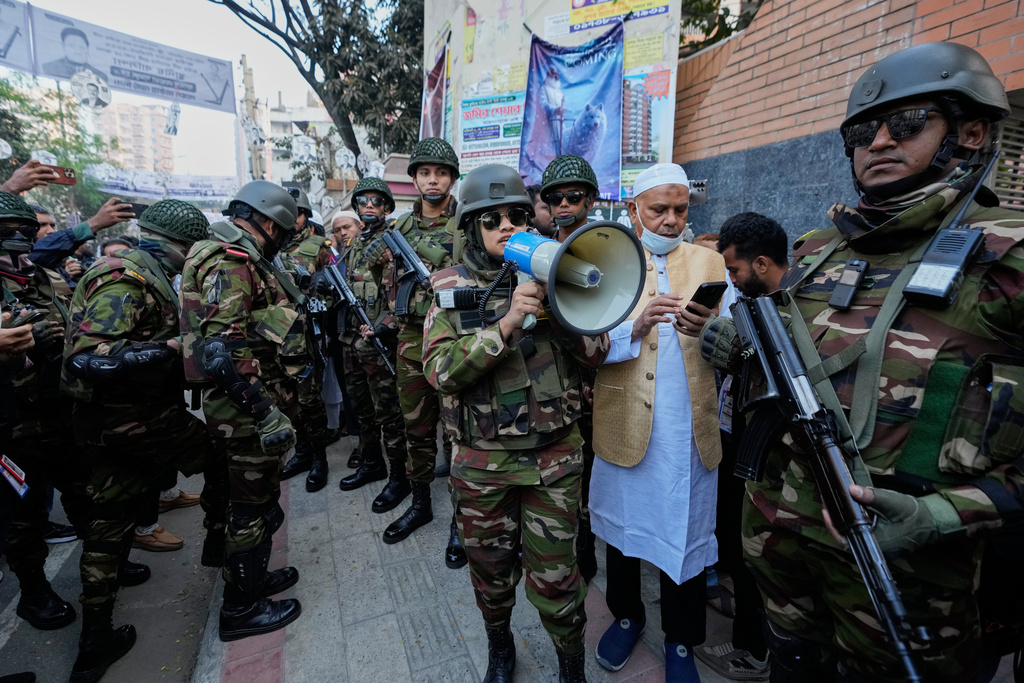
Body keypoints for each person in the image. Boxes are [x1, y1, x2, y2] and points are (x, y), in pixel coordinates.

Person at [700, 42, 1024, 683]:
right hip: (782, 543)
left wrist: (943, 514)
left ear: (971, 131)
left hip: (908, 570)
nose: (877, 142)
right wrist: (738, 345)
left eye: (905, 124)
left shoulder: (1008, 251)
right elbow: (794, 347)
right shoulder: (820, 247)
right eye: (861, 131)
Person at [422, 163, 609, 683]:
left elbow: (598, 354)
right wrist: (505, 325)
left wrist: (564, 311)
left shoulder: (560, 274)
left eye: (517, 217)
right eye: (492, 220)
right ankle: (500, 647)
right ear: (472, 230)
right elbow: (440, 372)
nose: (507, 227)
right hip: (482, 465)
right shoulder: (449, 287)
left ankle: (572, 664)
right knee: (492, 573)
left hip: (554, 460)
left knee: (557, 578)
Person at [62, 199, 230, 681]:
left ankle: (94, 640)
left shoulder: (139, 269)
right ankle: (220, 542)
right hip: (135, 422)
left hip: (113, 425)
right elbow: (90, 358)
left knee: (109, 524)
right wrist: (171, 349)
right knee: (221, 455)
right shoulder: (126, 278)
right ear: (180, 245)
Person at [589, 163, 724, 683]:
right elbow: (588, 349)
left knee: (685, 534)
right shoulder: (606, 263)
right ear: (632, 211)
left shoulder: (710, 262)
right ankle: (626, 615)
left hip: (687, 432)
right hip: (625, 420)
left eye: (680, 210)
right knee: (624, 532)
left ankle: (682, 641)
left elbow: (736, 338)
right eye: (658, 210)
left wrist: (713, 328)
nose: (671, 221)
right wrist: (635, 326)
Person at [179, 181, 304, 642]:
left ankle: (252, 581)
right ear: (269, 222)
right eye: (282, 232)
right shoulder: (231, 260)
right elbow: (221, 352)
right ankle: (240, 609)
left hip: (243, 407)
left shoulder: (223, 252)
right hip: (246, 411)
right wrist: (266, 413)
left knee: (257, 501)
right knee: (251, 509)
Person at [694, 212, 788, 681]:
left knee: (760, 558)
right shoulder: (754, 304)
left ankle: (754, 652)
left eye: (734, 271)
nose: (730, 280)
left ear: (764, 264)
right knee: (735, 542)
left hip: (777, 473)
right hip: (740, 448)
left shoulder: (794, 312)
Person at [362, 137, 464, 566]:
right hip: (409, 339)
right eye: (424, 173)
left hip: (456, 338)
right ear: (414, 180)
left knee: (459, 432)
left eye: (440, 173)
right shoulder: (398, 229)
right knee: (415, 428)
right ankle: (421, 503)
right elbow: (367, 264)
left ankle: (463, 521)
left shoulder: (470, 222)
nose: (433, 180)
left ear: (453, 179)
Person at [538, 154, 601, 583]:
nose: (564, 205)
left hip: (599, 374)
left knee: (594, 464)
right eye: (555, 198)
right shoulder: (539, 249)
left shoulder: (608, 245)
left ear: (590, 200)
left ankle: (587, 538)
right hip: (556, 375)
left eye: (573, 196)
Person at [337, 178, 409, 500]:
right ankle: (371, 462)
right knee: (362, 410)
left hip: (381, 343)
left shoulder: (393, 242)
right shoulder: (352, 246)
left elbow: (405, 292)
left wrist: (386, 325)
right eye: (363, 201)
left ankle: (398, 477)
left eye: (376, 201)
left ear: (387, 208)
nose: (369, 206)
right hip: (352, 341)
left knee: (390, 414)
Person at [277, 187, 332, 493]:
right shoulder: (267, 245)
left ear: (304, 216)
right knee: (287, 401)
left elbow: (335, 282)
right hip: (273, 335)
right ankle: (301, 452)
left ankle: (320, 458)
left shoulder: (317, 246)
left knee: (310, 400)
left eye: (293, 212)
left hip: (306, 334)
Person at [41, 27, 107, 81]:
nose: (77, 50)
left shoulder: (100, 76)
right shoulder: (49, 68)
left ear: (87, 48)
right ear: (63, 46)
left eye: (81, 47)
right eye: (72, 46)